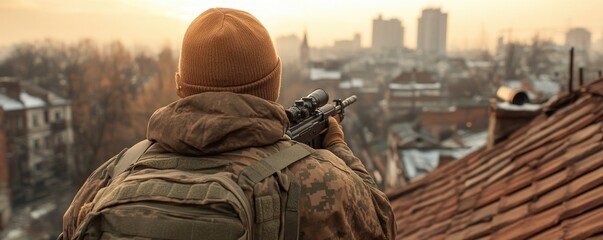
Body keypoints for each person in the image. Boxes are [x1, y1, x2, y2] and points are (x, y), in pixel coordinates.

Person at [59, 7, 395, 240]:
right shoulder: (319, 180)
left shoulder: (115, 173)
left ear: (180, 86)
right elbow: (382, 225)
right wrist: (337, 148)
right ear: (274, 85)